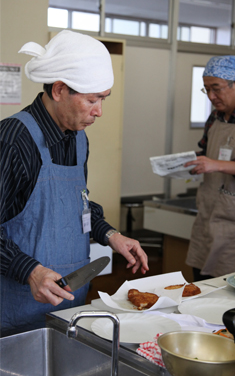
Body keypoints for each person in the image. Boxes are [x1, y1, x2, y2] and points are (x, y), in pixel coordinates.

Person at [0, 30, 148, 337]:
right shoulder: (14, 139)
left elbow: (76, 202)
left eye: (103, 99)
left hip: (70, 308)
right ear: (58, 90)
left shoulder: (78, 139)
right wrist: (30, 271)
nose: (99, 111)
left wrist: (110, 234)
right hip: (16, 315)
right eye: (92, 100)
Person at [184, 55, 235, 281]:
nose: (211, 96)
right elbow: (205, 151)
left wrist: (214, 164)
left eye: (216, 89)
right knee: (200, 278)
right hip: (209, 212)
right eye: (206, 90)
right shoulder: (215, 117)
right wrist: (190, 163)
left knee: (230, 285)